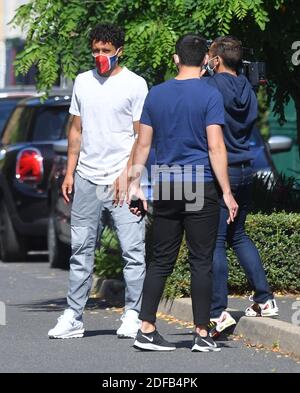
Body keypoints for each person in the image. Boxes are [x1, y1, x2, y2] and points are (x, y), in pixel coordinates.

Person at [128, 34, 238, 352]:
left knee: (160, 259)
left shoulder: (156, 94)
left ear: (176, 59)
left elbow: (143, 144)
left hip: (165, 181)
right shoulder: (210, 94)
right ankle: (202, 334)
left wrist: (135, 184)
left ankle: (146, 328)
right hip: (199, 181)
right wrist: (227, 192)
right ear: (206, 59)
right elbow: (216, 146)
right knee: (200, 260)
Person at [48, 23, 148, 339]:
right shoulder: (82, 82)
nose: (100, 56)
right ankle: (73, 317)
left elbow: (140, 134)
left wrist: (128, 174)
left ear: (120, 51)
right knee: (80, 249)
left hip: (122, 182)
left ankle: (132, 314)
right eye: (95, 50)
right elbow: (76, 129)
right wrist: (70, 171)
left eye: (106, 50)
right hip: (87, 178)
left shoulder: (135, 84)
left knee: (132, 251)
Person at [205, 36, 279, 337]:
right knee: (239, 235)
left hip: (224, 170)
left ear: (217, 59)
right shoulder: (247, 88)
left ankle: (218, 311)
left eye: (210, 55)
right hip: (247, 167)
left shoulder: (210, 88)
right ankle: (264, 298)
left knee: (216, 240)